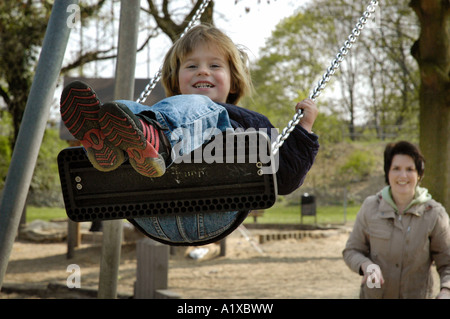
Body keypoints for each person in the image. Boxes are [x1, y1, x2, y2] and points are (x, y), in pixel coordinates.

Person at [60, 24, 319, 245]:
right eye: (192, 65)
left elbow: (285, 180)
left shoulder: (250, 122)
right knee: (125, 108)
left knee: (200, 107)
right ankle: (106, 140)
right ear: (176, 81)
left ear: (234, 80)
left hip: (216, 211)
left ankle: (154, 141)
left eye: (214, 65)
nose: (202, 71)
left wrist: (303, 130)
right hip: (155, 214)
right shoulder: (169, 107)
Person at [343, 141, 450, 299]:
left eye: (410, 169)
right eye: (396, 169)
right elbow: (352, 250)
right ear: (387, 173)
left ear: (419, 174)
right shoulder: (370, 207)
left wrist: (446, 290)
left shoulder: (435, 214)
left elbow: (447, 263)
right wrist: (365, 265)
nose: (403, 176)